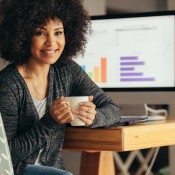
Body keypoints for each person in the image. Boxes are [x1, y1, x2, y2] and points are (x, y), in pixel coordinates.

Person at [0, 0, 121, 175]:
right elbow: (6, 156)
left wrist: (94, 116)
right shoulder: (8, 85)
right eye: (40, 33)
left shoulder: (67, 70)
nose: (51, 43)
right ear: (23, 35)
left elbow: (112, 108)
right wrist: (50, 121)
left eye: (58, 32)